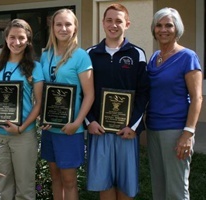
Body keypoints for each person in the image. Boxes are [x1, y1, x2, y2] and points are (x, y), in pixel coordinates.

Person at [85, 4, 149, 199]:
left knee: (125, 183)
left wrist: (134, 126)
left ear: (127, 24)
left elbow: (144, 93)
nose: (114, 25)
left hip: (126, 131)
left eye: (119, 21)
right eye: (109, 20)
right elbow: (83, 93)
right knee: (104, 182)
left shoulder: (137, 54)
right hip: (99, 129)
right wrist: (90, 121)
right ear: (103, 23)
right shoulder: (90, 54)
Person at [146, 7, 202, 200]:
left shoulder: (188, 57)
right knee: (159, 188)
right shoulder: (154, 58)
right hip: (153, 128)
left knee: (176, 191)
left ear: (177, 28)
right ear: (154, 29)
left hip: (176, 130)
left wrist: (188, 133)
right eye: (159, 25)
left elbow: (197, 97)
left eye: (169, 25)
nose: (163, 30)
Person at [0, 19, 44, 200]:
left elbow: (39, 103)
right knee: (4, 185)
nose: (16, 42)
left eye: (21, 38)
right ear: (6, 39)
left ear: (28, 40)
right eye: (12, 37)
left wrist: (22, 127)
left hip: (23, 135)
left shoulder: (35, 67)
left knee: (24, 188)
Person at [40, 8, 94, 200]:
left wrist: (77, 123)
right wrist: (42, 117)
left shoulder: (81, 56)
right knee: (55, 178)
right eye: (59, 24)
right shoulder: (45, 55)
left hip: (69, 130)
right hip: (49, 129)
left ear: (75, 28)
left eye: (68, 24)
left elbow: (89, 94)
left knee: (69, 181)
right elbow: (42, 91)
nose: (63, 28)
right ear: (52, 27)